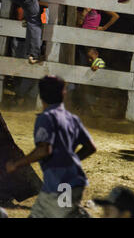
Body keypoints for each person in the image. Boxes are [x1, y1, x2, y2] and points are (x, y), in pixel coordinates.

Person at [5, 75, 97, 218]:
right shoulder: (72, 118)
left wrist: (17, 164)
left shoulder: (46, 118)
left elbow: (44, 150)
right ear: (63, 94)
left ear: (41, 95)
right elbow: (91, 147)